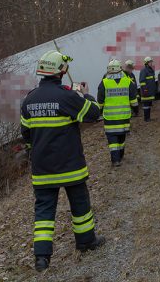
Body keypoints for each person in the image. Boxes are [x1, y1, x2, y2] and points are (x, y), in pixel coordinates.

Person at [20, 50, 105, 272]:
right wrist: (85, 95)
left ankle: (42, 258)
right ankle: (86, 242)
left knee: (44, 214)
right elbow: (94, 114)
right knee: (80, 205)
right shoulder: (67, 97)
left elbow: (26, 136)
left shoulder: (28, 101)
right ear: (61, 71)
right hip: (70, 167)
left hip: (43, 169)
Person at [98, 59, 138, 166]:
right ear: (120, 69)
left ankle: (115, 160)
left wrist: (99, 111)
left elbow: (100, 101)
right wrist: (136, 110)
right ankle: (120, 155)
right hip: (124, 117)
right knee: (121, 137)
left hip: (110, 118)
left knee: (112, 140)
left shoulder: (104, 83)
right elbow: (134, 100)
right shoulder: (127, 81)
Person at [139, 57, 156, 121]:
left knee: (148, 105)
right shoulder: (144, 70)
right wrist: (145, 90)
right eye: (150, 62)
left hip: (149, 91)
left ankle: (148, 118)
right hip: (146, 92)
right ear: (146, 63)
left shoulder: (150, 70)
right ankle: (146, 118)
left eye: (151, 62)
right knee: (146, 105)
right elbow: (142, 81)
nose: (151, 63)